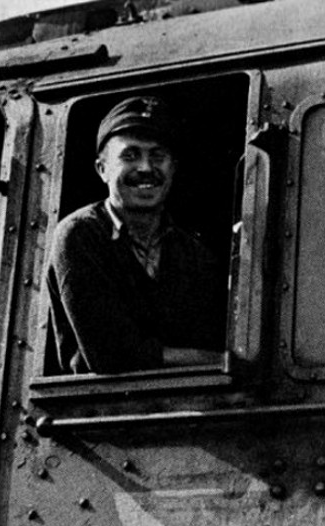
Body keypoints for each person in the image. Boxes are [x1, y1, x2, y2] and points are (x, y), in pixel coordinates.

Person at [45, 95, 225, 375]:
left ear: (173, 168)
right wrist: (211, 359)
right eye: (130, 156)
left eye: (158, 156)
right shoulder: (79, 235)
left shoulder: (193, 253)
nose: (145, 168)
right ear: (102, 169)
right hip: (100, 402)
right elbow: (110, 355)